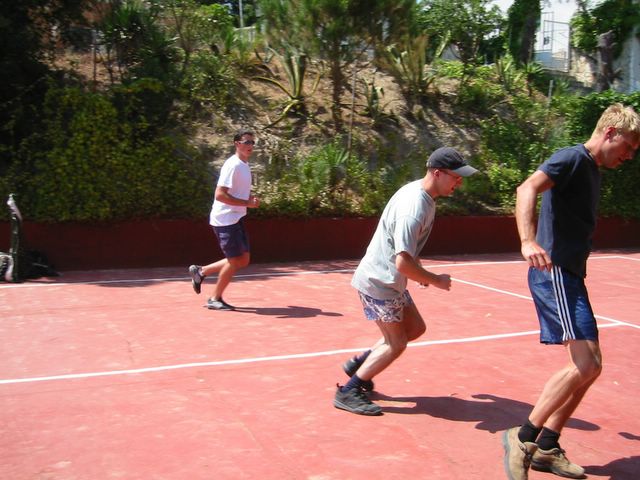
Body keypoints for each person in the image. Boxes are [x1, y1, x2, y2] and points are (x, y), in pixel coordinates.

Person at [502, 103, 640, 480]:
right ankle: (522, 437)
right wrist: (527, 240)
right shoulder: (572, 158)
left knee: (592, 367)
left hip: (571, 276)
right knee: (585, 364)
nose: (629, 156)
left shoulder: (591, 169)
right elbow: (527, 187)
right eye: (628, 146)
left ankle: (547, 446)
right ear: (609, 132)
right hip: (556, 273)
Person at [334, 147, 479, 415]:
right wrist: (435, 279)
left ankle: (359, 364)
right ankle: (349, 390)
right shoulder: (414, 208)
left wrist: (418, 269)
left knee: (415, 328)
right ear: (437, 173)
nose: (459, 182)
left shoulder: (423, 195)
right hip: (380, 283)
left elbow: (405, 249)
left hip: (389, 281)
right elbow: (402, 262)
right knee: (396, 343)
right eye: (456, 176)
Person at [188, 130, 260, 310]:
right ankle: (214, 298)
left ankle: (201, 271)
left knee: (243, 260)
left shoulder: (244, 165)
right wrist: (247, 203)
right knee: (235, 261)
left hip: (236, 217)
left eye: (252, 142)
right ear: (237, 143)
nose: (250, 145)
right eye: (247, 142)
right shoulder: (233, 165)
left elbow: (237, 191)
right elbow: (220, 194)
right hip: (225, 219)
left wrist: (249, 200)